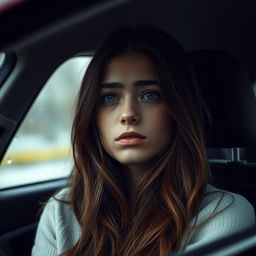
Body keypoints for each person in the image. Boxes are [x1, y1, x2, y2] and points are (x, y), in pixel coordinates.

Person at [32, 27, 255, 256]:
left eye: (150, 94)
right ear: (92, 115)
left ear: (178, 109)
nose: (128, 114)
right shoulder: (61, 210)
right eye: (110, 97)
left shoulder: (226, 215)